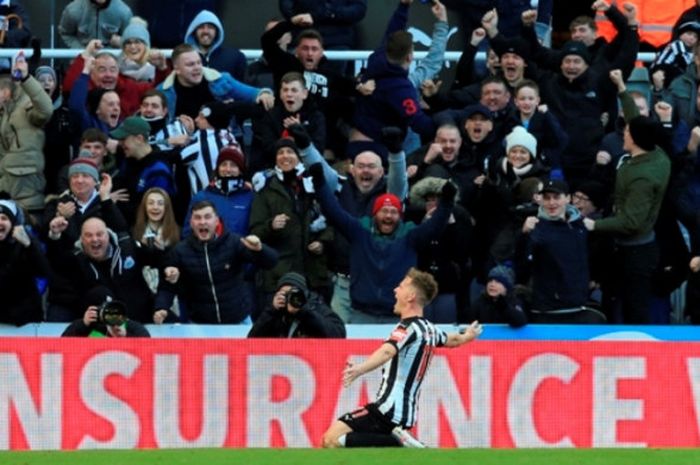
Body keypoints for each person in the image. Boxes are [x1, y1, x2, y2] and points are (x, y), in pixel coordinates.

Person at [321, 267, 483, 448]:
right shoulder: (429, 329)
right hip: (405, 415)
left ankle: (397, 442)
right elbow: (452, 339)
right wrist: (468, 336)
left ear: (410, 296)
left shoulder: (407, 328)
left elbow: (387, 351)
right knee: (345, 443)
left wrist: (360, 369)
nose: (395, 290)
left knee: (331, 440)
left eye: (401, 286)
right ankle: (399, 441)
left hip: (387, 409)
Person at [310, 162, 456, 323]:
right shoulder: (360, 232)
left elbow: (435, 225)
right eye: (384, 211)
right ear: (375, 214)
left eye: (394, 212)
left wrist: (447, 201)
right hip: (361, 314)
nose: (388, 216)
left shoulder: (410, 236)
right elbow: (333, 211)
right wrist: (319, 181)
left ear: (399, 217)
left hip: (398, 316)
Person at [583, 116, 671, 324]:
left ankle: (637, 351)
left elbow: (631, 222)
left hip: (635, 255)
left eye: (628, 131)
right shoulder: (658, 155)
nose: (624, 133)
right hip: (624, 249)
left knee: (634, 310)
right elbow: (642, 125)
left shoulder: (643, 178)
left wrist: (594, 224)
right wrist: (622, 90)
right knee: (612, 302)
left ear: (637, 138)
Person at [155, 200, 278, 324]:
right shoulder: (180, 251)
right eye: (197, 218)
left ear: (216, 220)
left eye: (207, 217)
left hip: (239, 320)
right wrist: (161, 307)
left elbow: (271, 262)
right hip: (200, 324)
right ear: (191, 223)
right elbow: (167, 286)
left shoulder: (234, 242)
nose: (202, 222)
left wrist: (260, 249)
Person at [517, 179, 602, 323]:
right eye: (547, 198)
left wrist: (595, 279)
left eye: (556, 197)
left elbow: (593, 257)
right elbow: (522, 263)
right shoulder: (535, 227)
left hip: (578, 305)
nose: (551, 203)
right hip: (548, 309)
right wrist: (524, 235)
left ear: (568, 198)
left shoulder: (581, 226)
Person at [157, 43, 273, 123]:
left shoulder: (220, 80)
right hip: (179, 143)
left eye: (198, 62)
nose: (197, 68)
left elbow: (253, 93)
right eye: (190, 64)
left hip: (220, 140)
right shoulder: (162, 92)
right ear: (177, 69)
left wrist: (264, 94)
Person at [0, 56, 53, 220]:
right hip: (5, 195)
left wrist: (26, 78)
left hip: (28, 198)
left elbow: (46, 110)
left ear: (7, 90)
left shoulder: (26, 104)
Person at [110, 115, 176, 224]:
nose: (120, 144)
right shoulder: (130, 160)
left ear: (139, 139)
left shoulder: (158, 170)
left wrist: (113, 204)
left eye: (123, 139)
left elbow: (155, 211)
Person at [183, 145, 253, 238]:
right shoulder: (202, 197)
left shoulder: (250, 197)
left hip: (241, 250)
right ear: (218, 169)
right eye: (224, 164)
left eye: (233, 165)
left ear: (240, 170)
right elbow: (187, 233)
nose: (228, 169)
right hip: (209, 251)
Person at [248, 272, 346, 338]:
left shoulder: (316, 306)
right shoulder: (275, 311)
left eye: (294, 294)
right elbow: (252, 339)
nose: (290, 298)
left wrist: (304, 312)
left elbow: (339, 335)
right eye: (285, 294)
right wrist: (271, 311)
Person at [0, 197, 50, 326]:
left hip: (24, 320)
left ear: (13, 222)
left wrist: (29, 246)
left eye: (4, 218)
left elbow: (44, 272)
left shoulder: (26, 242)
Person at [184, 9, 247, 82]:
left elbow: (244, 88)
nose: (205, 31)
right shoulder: (184, 58)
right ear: (194, 31)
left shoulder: (235, 57)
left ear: (217, 31)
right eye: (201, 27)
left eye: (210, 27)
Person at [62, 287, 150, 337]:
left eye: (110, 307)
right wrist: (82, 324)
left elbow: (148, 347)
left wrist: (125, 335)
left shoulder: (129, 325)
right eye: (101, 308)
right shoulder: (84, 326)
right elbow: (62, 346)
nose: (107, 312)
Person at [59, 0, 133, 49]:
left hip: (112, 64)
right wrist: (82, 51)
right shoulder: (73, 10)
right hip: (81, 60)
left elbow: (132, 42)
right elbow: (65, 34)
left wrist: (121, 42)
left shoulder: (124, 12)